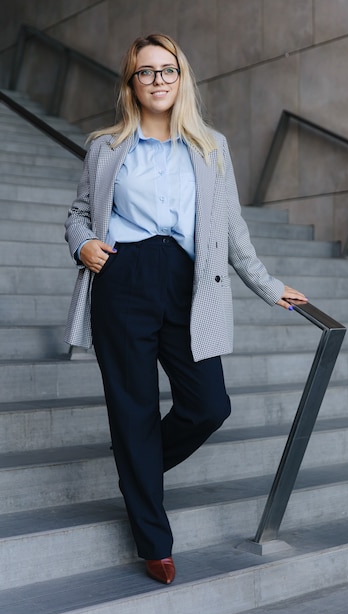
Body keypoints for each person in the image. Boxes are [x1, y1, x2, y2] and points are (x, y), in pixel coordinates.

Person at [64, 33, 307, 585]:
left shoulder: (210, 147)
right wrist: (83, 244)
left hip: (188, 282)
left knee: (208, 404)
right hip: (122, 278)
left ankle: (136, 467)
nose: (157, 81)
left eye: (167, 70)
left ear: (182, 78)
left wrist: (268, 285)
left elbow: (232, 230)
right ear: (131, 83)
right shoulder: (105, 146)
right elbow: (79, 212)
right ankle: (154, 538)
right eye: (145, 72)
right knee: (134, 408)